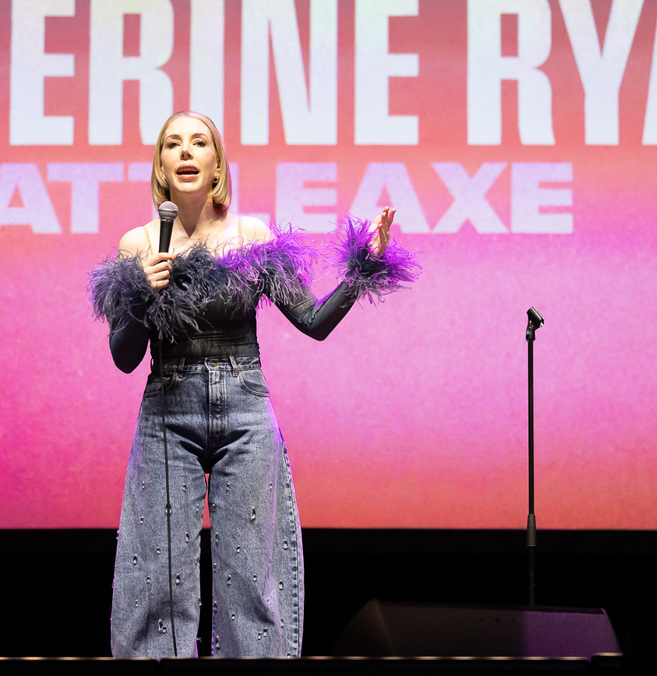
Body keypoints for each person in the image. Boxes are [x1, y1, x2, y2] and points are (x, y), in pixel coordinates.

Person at [89, 112, 417, 658]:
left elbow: (312, 322)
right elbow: (124, 358)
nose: (186, 152)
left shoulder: (252, 237)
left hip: (245, 410)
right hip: (168, 408)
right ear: (161, 168)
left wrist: (367, 265)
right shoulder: (140, 243)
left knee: (249, 577)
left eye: (199, 143)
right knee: (159, 579)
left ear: (217, 165)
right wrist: (143, 297)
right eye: (173, 145)